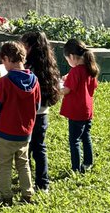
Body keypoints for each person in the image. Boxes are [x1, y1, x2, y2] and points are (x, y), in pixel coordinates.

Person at [0, 40, 41, 204]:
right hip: (25, 133)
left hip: (5, 132)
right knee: (23, 164)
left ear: (7, 59)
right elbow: (37, 105)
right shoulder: (35, 81)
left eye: (3, 61)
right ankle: (27, 194)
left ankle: (6, 196)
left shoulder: (4, 82)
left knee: (5, 165)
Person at [22, 28, 62, 191]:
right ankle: (43, 183)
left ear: (30, 47)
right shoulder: (48, 65)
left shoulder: (28, 68)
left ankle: (28, 181)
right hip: (43, 114)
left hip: (29, 115)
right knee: (40, 148)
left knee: (26, 150)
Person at [60, 37, 99, 174]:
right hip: (87, 111)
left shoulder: (75, 71)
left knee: (74, 140)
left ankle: (75, 168)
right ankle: (88, 162)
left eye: (67, 60)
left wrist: (56, 89)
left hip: (76, 112)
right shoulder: (90, 69)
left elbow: (66, 90)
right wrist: (68, 78)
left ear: (71, 56)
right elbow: (92, 86)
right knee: (86, 136)